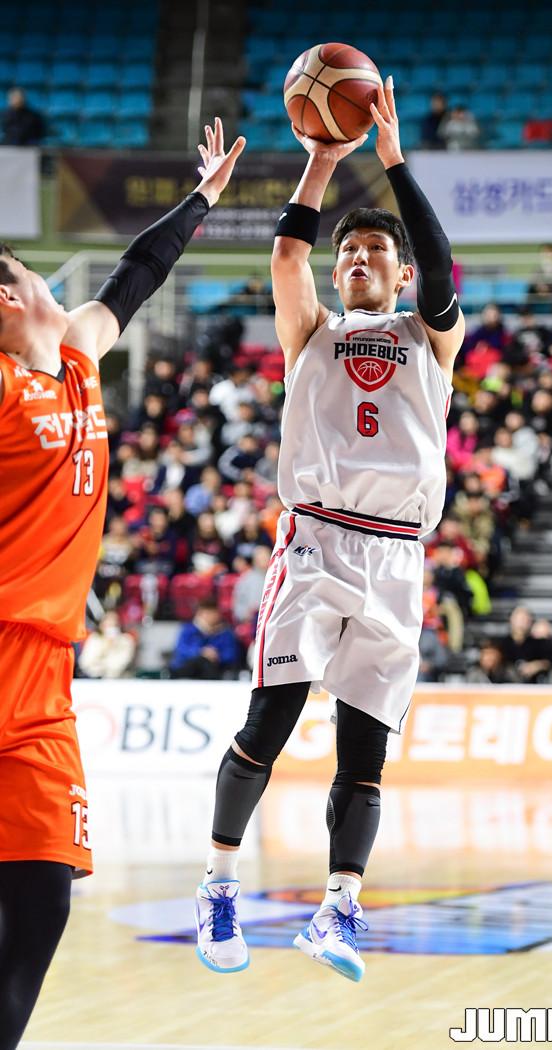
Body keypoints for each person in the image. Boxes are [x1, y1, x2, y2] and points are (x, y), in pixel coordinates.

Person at [195, 75, 464, 983]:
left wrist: (392, 162)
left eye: (375, 251)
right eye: (347, 250)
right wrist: (320, 163)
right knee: (268, 721)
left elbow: (443, 267)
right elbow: (285, 256)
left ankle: (337, 911)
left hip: (398, 559)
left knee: (365, 753)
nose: (357, 258)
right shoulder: (309, 330)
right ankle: (218, 886)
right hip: (315, 540)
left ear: (400, 275)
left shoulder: (431, 338)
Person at [0, 116, 244, 1049]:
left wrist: (202, 199)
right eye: (34, 277)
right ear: (8, 299)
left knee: (40, 901)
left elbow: (136, 276)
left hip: (43, 684)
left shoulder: (75, 359)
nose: (53, 287)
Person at [170, 598, 240, 679]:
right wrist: (201, 652)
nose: (210, 616)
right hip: (188, 668)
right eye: (207, 613)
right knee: (200, 662)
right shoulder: (188, 630)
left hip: (215, 669)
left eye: (213, 613)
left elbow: (231, 654)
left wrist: (216, 655)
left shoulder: (226, 633)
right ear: (199, 613)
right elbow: (181, 649)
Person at [77, 611, 136, 679]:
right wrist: (105, 645)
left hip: (118, 679)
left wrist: (113, 645)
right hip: (93, 679)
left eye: (113, 625)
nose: (110, 628)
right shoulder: (95, 639)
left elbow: (119, 664)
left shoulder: (125, 641)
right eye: (107, 624)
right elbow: (84, 662)